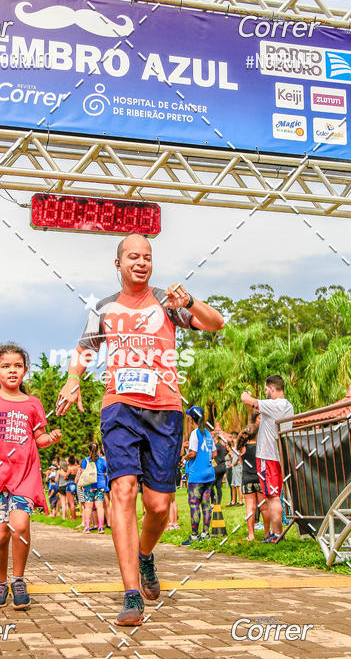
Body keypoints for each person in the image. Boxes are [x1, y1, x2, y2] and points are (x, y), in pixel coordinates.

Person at [56, 232, 224, 626]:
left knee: (159, 506)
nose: (141, 262)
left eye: (147, 256)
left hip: (164, 409)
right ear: (118, 264)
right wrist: (72, 378)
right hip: (119, 407)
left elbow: (216, 324)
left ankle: (145, 555)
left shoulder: (169, 301)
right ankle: (131, 593)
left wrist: (191, 301)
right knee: (123, 489)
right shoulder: (104, 307)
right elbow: (84, 350)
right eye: (133, 256)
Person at [0, 342, 61, 610]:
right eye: (6, 366)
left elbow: (39, 438)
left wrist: (51, 438)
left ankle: (18, 580)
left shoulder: (33, 404)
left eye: (18, 366)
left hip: (25, 476)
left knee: (19, 526)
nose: (12, 371)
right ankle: (0, 583)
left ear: (24, 371)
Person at [241, 376, 294, 543]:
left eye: (266, 389)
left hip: (267, 456)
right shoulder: (288, 406)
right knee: (273, 495)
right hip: (277, 456)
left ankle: (277, 534)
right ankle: (275, 532)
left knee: (272, 496)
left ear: (272, 388)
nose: (265, 393)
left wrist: (246, 392)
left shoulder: (275, 405)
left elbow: (246, 399)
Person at [181, 405, 215, 544]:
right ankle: (205, 533)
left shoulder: (195, 433)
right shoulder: (207, 433)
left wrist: (185, 458)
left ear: (192, 419)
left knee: (194, 505)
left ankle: (194, 536)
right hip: (209, 474)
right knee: (206, 504)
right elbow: (214, 453)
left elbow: (193, 453)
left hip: (197, 476)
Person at [236, 417, 261, 541]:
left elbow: (242, 463)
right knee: (264, 507)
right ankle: (267, 533)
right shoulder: (260, 446)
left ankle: (251, 535)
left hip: (247, 479)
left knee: (250, 507)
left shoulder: (242, 448)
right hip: (259, 478)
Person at [78, 442, 108, 533]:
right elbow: (105, 473)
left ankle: (87, 527)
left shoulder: (86, 460)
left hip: (89, 485)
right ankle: (101, 527)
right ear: (98, 449)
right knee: (100, 506)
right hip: (100, 485)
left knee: (88, 506)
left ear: (89, 450)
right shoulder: (102, 461)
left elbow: (83, 473)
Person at [212, 425, 227, 506]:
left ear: (215, 438)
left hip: (217, 467)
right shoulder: (223, 447)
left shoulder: (216, 446)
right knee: (218, 486)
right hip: (223, 466)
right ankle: (219, 502)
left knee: (211, 485)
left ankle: (214, 501)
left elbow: (212, 455)